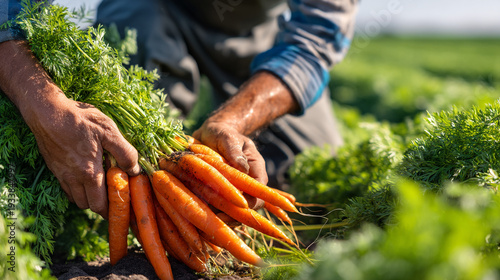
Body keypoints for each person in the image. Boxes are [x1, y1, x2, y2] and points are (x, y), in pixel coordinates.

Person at [0, 0, 358, 218]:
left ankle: (183, 186)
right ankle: (155, 179)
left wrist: (230, 121)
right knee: (124, 153)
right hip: (146, 14)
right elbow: (8, 12)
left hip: (257, 33)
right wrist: (46, 107)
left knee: (306, 168)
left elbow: (316, 39)